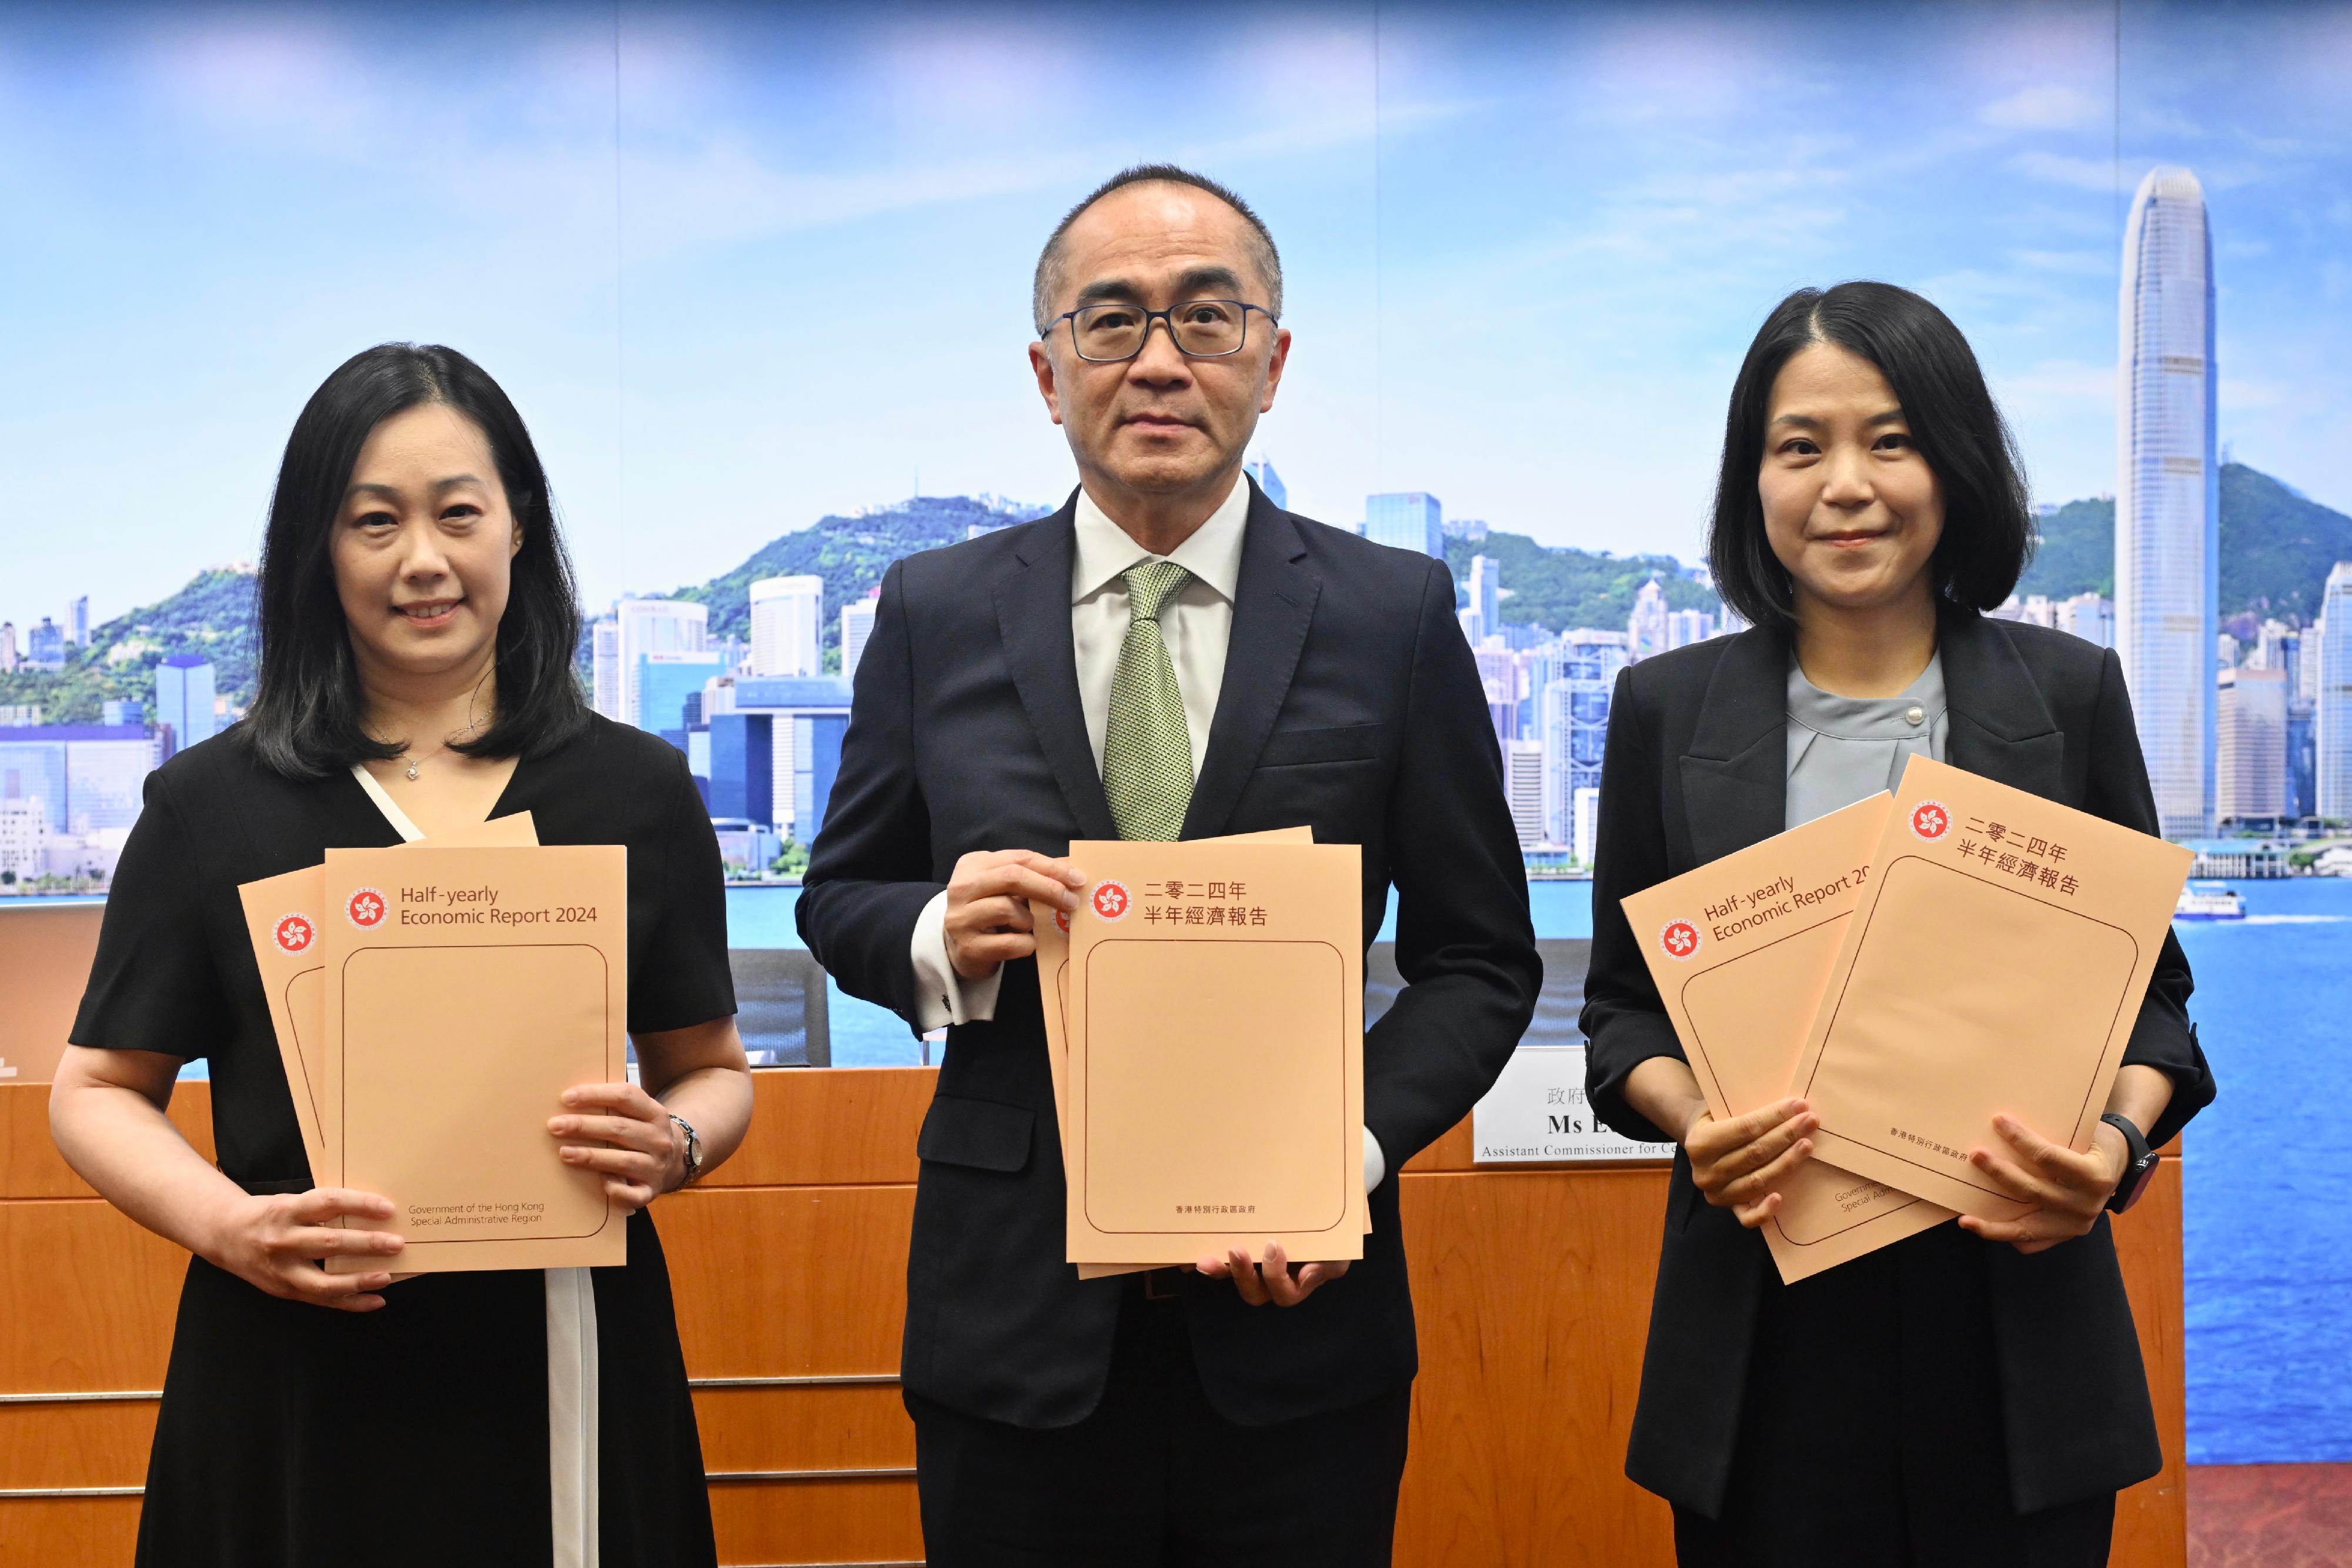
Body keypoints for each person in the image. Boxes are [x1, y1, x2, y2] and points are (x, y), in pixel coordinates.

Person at [796, 164, 1541, 1565]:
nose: (1156, 362)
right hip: (1013, 1317)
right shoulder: (934, 610)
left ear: (1271, 360)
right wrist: (935, 932)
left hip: (1294, 1318)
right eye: (1110, 321)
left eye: (1206, 319)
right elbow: (839, 893)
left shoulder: (1391, 615)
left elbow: (1479, 957)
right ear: (1045, 367)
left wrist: (1348, 1151)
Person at [49, 343, 755, 1568]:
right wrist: (232, 1226)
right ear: (318, 551)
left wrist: (678, 1138)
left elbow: (712, 1067)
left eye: (458, 513)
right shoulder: (211, 803)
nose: (421, 559)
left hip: (563, 1341)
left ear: (519, 529)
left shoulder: (634, 788)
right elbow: (96, 1089)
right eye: (373, 520)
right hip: (292, 1350)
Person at [1580, 282, 2216, 1566]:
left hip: (2014, 1330)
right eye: (1798, 446)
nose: (1846, 484)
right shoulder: (1664, 708)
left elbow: (2154, 998)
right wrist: (1695, 1120)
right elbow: (1617, 1011)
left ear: (1953, 463)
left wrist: (2110, 1143)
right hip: (1760, 1336)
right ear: (1750, 481)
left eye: (1890, 438)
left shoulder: (2067, 694)